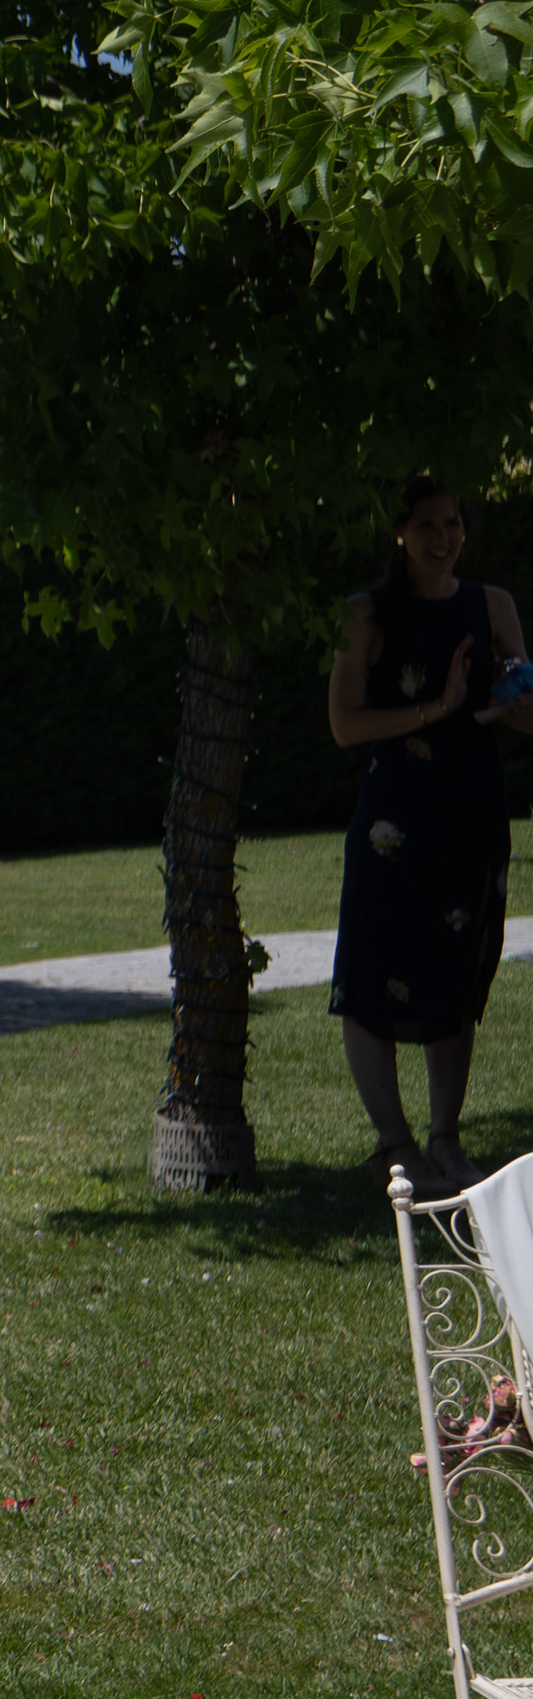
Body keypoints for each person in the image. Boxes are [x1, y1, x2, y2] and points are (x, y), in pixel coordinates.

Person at [328, 474, 526, 1192]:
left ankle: (446, 1138)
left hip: (472, 812)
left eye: (453, 524)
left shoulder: (493, 604)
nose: (443, 539)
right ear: (400, 534)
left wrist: (515, 702)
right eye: (427, 526)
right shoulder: (366, 614)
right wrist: (438, 707)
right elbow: (345, 725)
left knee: (456, 970)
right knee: (370, 971)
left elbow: (523, 707)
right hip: (395, 821)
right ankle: (396, 1142)